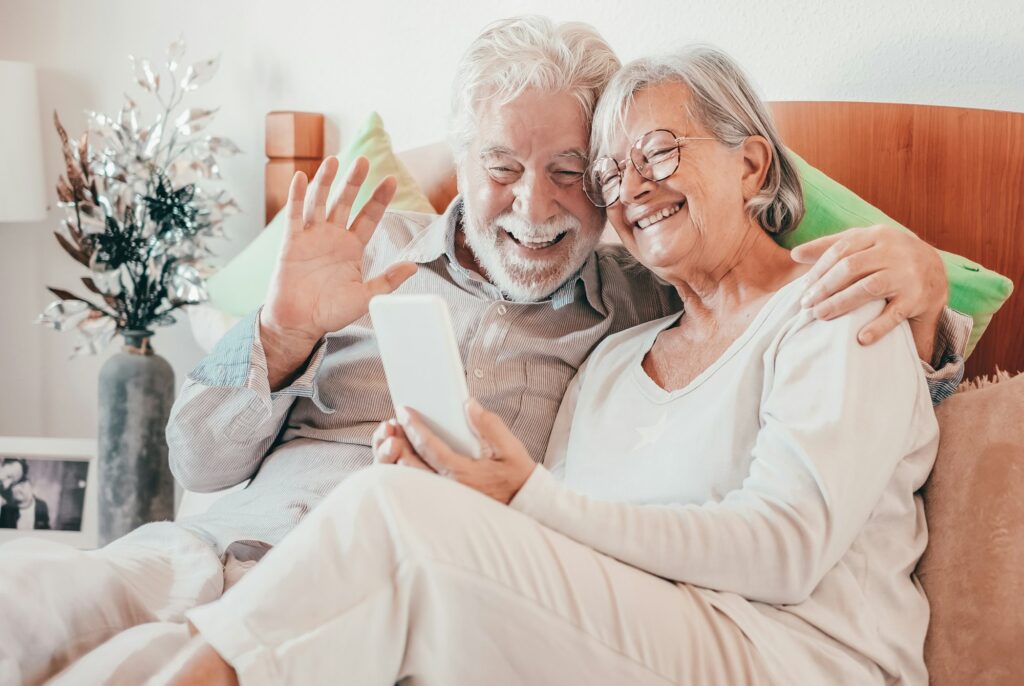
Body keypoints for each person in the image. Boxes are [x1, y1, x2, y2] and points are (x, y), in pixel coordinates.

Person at [0, 17, 967, 685]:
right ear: (457, 163)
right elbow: (194, 459)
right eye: (502, 167)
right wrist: (280, 329)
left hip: (391, 598)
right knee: (26, 606)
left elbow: (789, 324)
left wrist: (929, 302)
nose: (538, 207)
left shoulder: (639, 306)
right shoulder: (366, 254)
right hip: (207, 549)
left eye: (572, 173)